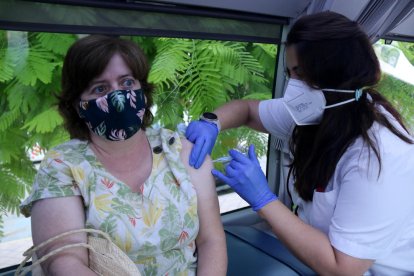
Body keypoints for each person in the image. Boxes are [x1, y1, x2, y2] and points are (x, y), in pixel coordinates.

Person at [185, 11, 414, 275]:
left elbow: (343, 269)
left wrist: (263, 200)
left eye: (300, 72)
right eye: (289, 72)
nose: (292, 86)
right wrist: (212, 122)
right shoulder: (317, 110)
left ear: (335, 70)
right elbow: (247, 110)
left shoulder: (379, 156)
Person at [20, 35, 227, 275]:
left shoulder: (179, 151)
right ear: (78, 105)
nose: (117, 97)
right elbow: (64, 262)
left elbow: (211, 240)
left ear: (142, 90)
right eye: (100, 88)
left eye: (127, 83)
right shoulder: (63, 166)